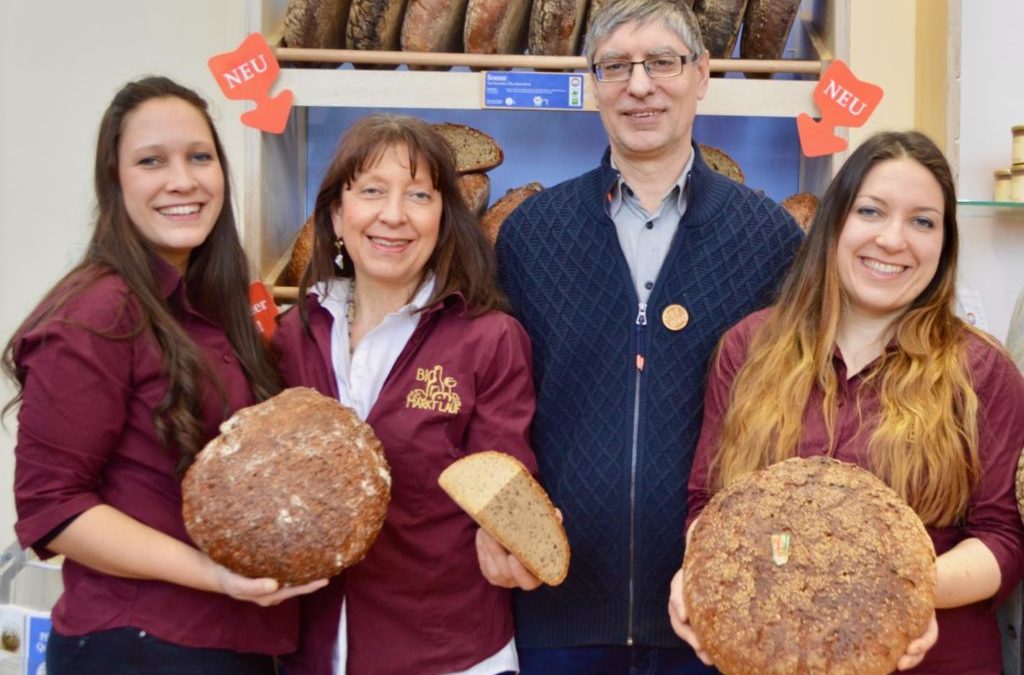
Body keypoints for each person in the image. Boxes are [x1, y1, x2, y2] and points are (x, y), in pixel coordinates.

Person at [492, 0, 804, 671]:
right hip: (559, 607)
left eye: (662, 62)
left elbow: (788, 419)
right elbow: (503, 404)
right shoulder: (530, 233)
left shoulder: (771, 238)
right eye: (616, 67)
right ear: (594, 84)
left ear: (701, 75)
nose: (639, 85)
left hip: (711, 608)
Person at [2, 76, 326, 674]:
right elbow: (54, 511)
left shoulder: (206, 306)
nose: (182, 180)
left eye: (199, 157)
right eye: (152, 161)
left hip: (227, 643)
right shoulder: (97, 313)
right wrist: (213, 575)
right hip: (143, 646)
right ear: (114, 181)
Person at [670, 130, 1024, 674]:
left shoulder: (980, 371)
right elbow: (709, 503)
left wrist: (906, 598)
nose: (892, 239)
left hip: (938, 658)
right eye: (871, 211)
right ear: (835, 222)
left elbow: (1002, 539)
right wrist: (699, 574)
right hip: (775, 657)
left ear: (944, 245)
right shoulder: (749, 347)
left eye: (922, 221)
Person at [273, 113, 538, 675]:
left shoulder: (487, 339)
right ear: (337, 217)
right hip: (314, 651)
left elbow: (506, 481)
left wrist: (515, 541)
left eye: (418, 195)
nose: (393, 215)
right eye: (371, 191)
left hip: (450, 654)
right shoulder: (293, 335)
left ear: (444, 219)